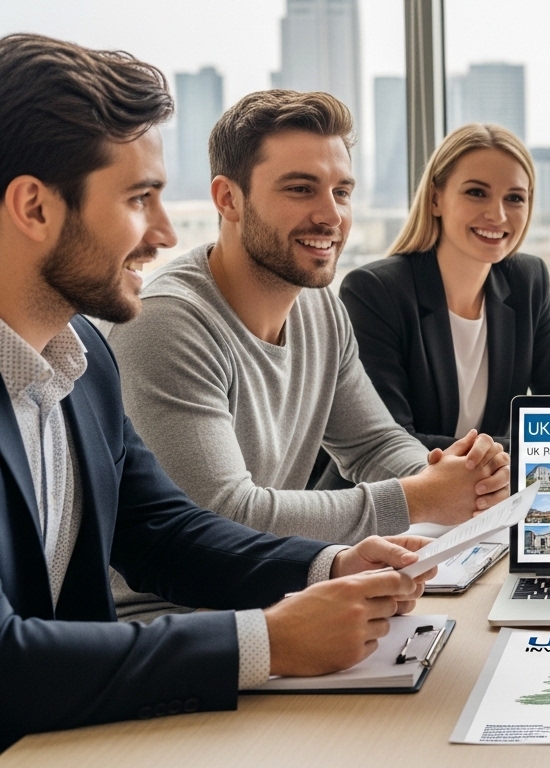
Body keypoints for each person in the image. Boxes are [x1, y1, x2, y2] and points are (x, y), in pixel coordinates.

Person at [0, 33, 437, 747]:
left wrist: (330, 563)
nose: (164, 232)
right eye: (139, 199)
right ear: (35, 208)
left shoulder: (82, 364)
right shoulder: (155, 326)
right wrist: (265, 642)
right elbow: (8, 660)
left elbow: (162, 531)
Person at [105, 91, 509, 620]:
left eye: (341, 192)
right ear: (228, 199)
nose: (330, 215)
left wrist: (458, 481)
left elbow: (371, 442)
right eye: (300, 189)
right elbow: (223, 515)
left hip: (280, 595)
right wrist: (420, 498)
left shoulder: (319, 306)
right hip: (172, 624)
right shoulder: (168, 323)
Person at [333, 123, 550, 462]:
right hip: (397, 504)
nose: (497, 215)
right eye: (476, 193)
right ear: (436, 198)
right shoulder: (376, 292)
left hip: (491, 505)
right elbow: (390, 443)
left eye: (514, 198)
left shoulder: (527, 282)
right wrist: (523, 455)